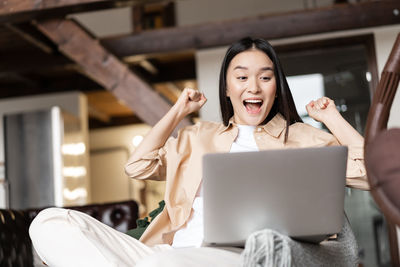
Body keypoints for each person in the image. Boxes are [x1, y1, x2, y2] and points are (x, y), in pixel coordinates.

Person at [29, 37, 368, 267]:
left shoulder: (304, 138)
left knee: (164, 263)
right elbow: (138, 166)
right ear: (227, 87)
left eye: (265, 77)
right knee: (50, 222)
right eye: (242, 77)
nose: (253, 86)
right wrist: (176, 112)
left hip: (237, 258)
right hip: (165, 253)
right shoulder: (197, 137)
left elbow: (371, 175)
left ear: (276, 87)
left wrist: (332, 119)